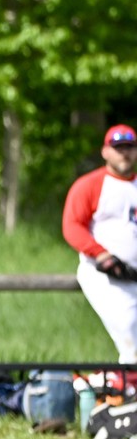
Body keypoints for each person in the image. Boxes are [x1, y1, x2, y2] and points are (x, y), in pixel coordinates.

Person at [63, 123, 137, 363]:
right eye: (118, 147)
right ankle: (128, 391)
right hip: (105, 275)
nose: (124, 152)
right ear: (105, 151)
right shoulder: (91, 185)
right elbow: (72, 226)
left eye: (129, 147)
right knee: (130, 336)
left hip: (134, 275)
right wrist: (101, 253)